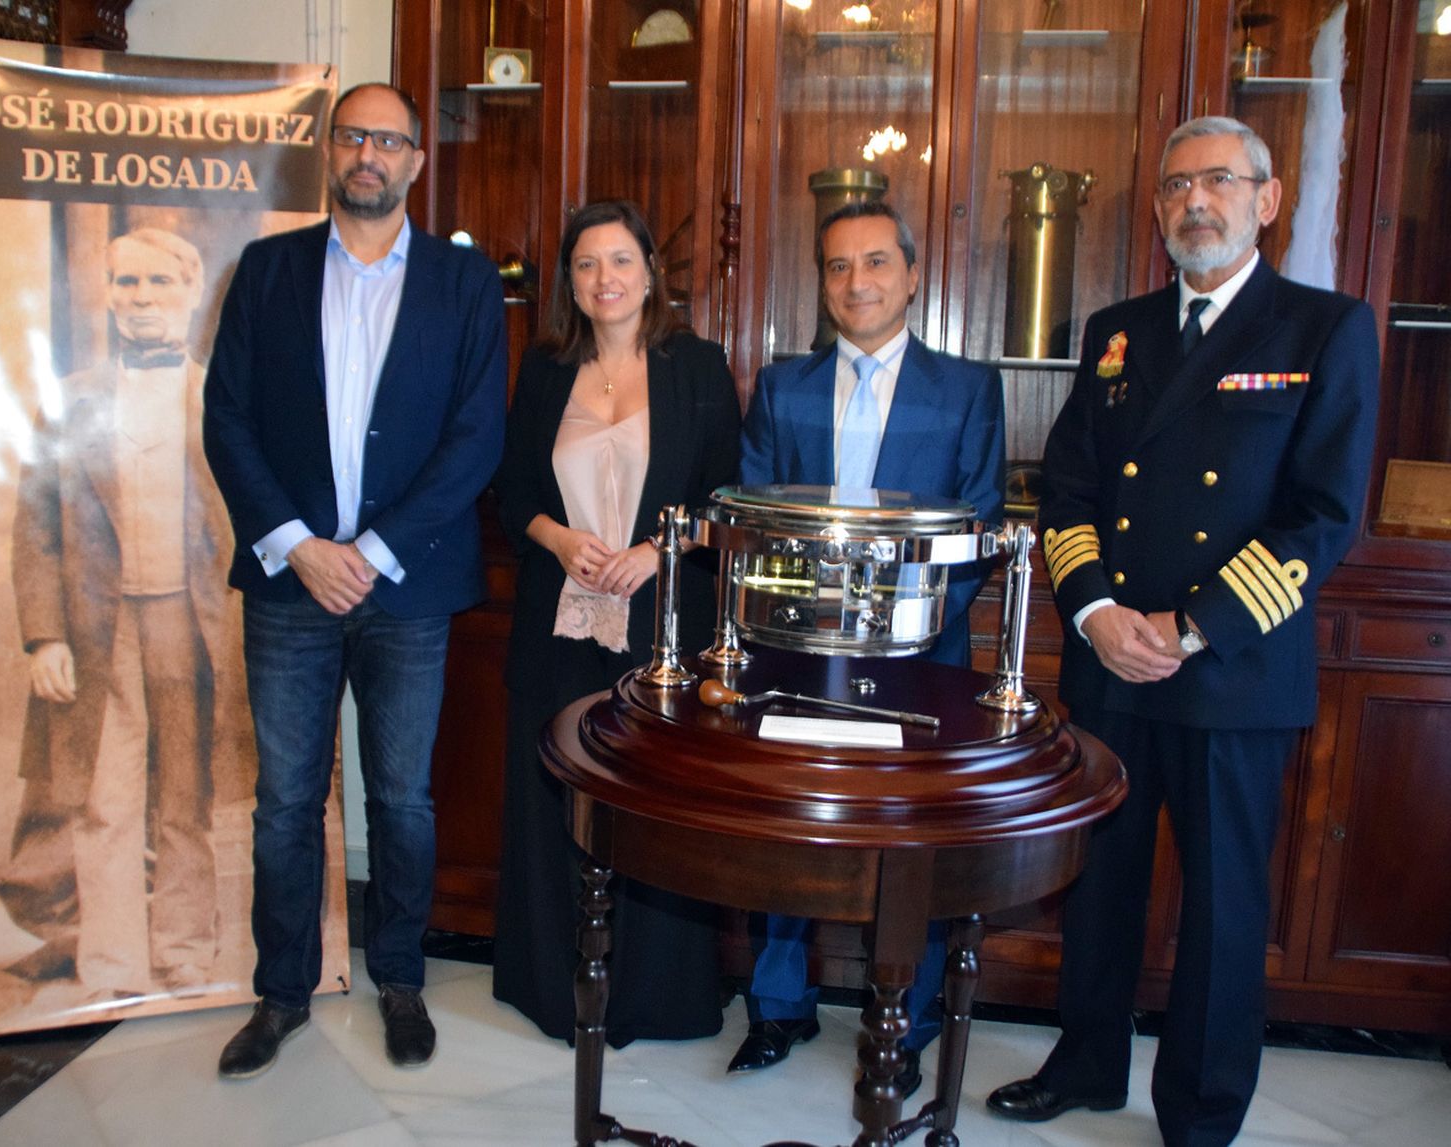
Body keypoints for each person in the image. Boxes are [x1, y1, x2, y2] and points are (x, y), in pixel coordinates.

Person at [985, 117, 1378, 1146]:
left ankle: (1200, 1110)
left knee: (1221, 906)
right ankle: (1085, 1063)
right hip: (1112, 658)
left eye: (1216, 181)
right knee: (1099, 882)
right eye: (1173, 187)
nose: (1193, 202)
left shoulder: (1322, 328)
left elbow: (1324, 513)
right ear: (1156, 208)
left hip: (1231, 666)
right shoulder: (1117, 330)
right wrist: (1099, 613)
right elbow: (1064, 489)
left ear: (1267, 197)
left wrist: (1192, 627)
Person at [202, 82, 507, 1079]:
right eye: (352, 136)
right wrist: (299, 542)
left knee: (403, 799)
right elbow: (228, 421)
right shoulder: (265, 270)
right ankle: (280, 993)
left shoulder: (464, 284)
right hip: (292, 588)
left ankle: (403, 979)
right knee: (286, 801)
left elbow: (475, 440)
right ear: (329, 153)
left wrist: (369, 554)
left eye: (388, 140)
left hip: (406, 589)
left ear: (419, 160)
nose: (368, 153)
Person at [735, 199, 1006, 1095]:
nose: (858, 282)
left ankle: (914, 1016)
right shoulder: (784, 386)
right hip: (798, 655)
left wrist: (899, 631)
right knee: (786, 829)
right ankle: (777, 1006)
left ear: (913, 275)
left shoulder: (967, 387)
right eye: (839, 266)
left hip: (922, 661)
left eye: (877, 262)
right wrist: (817, 626)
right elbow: (760, 515)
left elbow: (976, 524)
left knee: (913, 839)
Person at [490, 199, 739, 1047]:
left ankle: (650, 998)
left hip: (661, 631)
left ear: (648, 272)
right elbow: (512, 491)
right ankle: (554, 989)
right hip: (558, 627)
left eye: (621, 260)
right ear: (571, 280)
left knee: (650, 811)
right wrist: (558, 539)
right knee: (558, 800)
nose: (605, 279)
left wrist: (659, 550)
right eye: (588, 264)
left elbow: (725, 495)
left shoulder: (697, 365)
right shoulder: (547, 366)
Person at [11, 227, 234, 1004]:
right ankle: (109, 967)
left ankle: (184, 951)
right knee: (103, 797)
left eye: (159, 284)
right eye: (127, 283)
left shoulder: (221, 392)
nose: (142, 300)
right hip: (96, 629)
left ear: (191, 292)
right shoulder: (70, 399)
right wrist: (43, 635)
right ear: (106, 296)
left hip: (191, 621)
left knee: (185, 796)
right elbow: (37, 525)